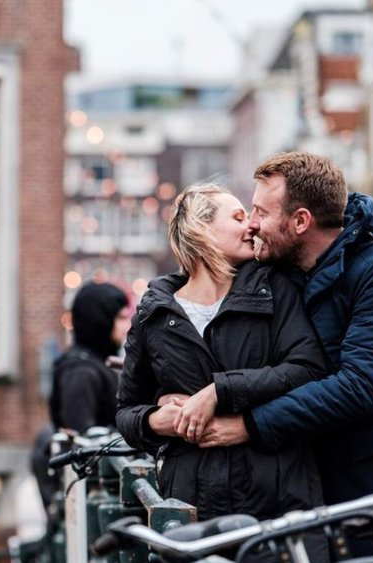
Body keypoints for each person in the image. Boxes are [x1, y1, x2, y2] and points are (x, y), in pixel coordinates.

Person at [198, 151, 373, 549]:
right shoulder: (281, 270)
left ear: (301, 221)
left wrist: (249, 426)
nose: (252, 225)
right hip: (303, 486)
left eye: (260, 212)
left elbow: (360, 385)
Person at [116, 184, 330, 561]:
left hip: (275, 506)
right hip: (193, 512)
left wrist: (219, 392)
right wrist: (156, 422)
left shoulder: (275, 289)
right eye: (237, 217)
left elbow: (308, 369)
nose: (251, 225)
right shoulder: (155, 314)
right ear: (200, 229)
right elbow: (126, 411)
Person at [49, 282, 131, 434]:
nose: (127, 326)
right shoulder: (81, 371)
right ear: (100, 320)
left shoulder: (99, 362)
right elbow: (82, 438)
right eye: (121, 318)